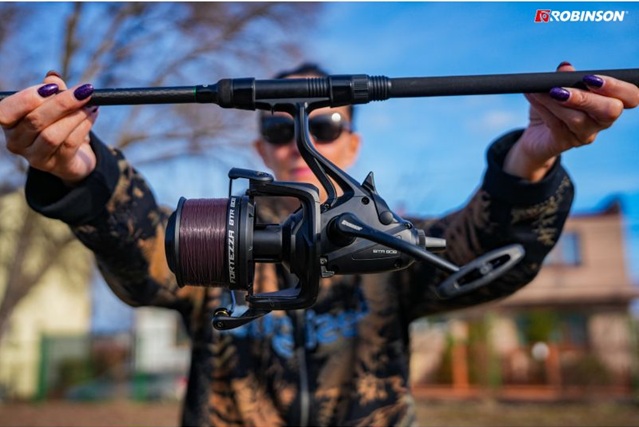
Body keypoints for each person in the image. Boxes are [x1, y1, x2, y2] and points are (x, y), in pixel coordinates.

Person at [1, 62, 638, 426]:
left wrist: (532, 160)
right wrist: (79, 170)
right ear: (261, 150)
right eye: (280, 129)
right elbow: (145, 257)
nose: (299, 142)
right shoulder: (218, 246)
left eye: (323, 124)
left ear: (350, 144)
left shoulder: (393, 246)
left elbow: (481, 255)